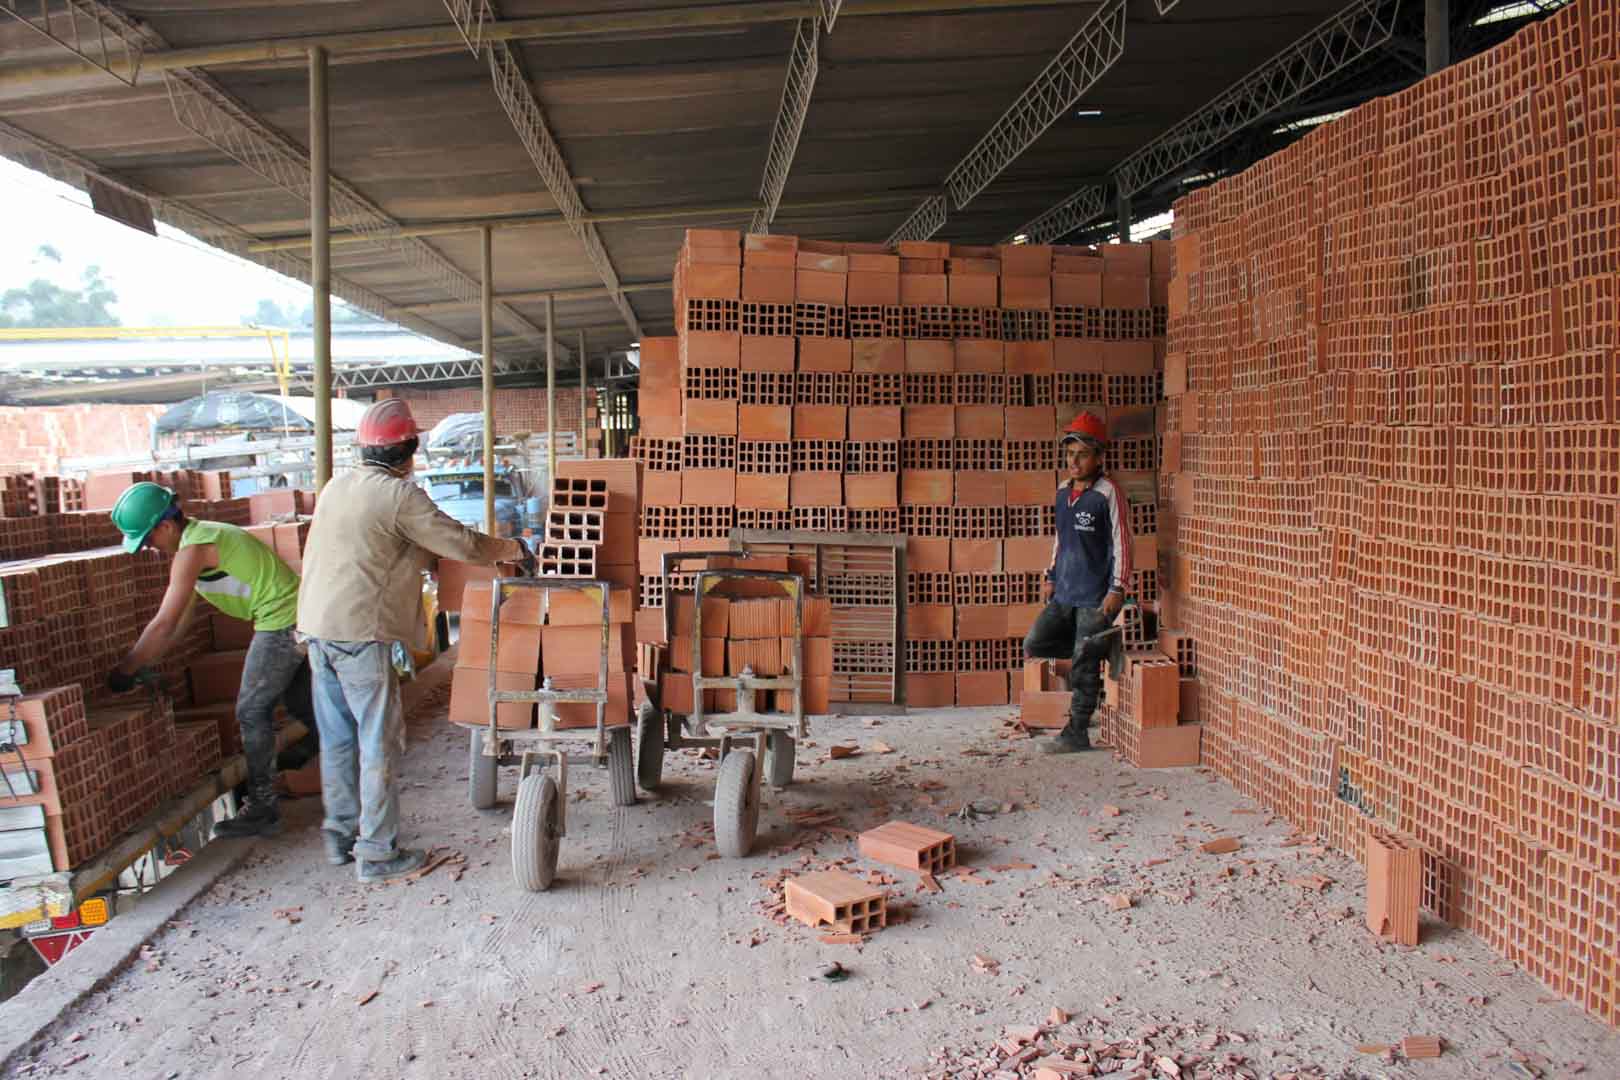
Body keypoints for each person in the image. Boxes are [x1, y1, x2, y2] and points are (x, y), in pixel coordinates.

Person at [296, 398, 533, 883]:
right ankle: (377, 853)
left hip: (317, 629)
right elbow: (461, 543)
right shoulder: (399, 496)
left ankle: (340, 834)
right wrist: (514, 549)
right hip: (361, 635)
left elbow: (374, 546)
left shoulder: (337, 486)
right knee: (378, 741)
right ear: (408, 451)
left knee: (338, 740)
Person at [108, 482, 313, 836]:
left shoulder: (194, 550)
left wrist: (125, 669)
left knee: (251, 710)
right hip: (296, 613)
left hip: (282, 619)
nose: (150, 549)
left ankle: (263, 808)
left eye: (148, 540)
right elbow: (178, 624)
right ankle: (337, 760)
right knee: (303, 704)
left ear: (166, 526)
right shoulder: (199, 540)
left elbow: (163, 623)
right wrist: (150, 662)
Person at [1022, 412, 1134, 753]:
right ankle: (1098, 648)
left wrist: (1118, 588)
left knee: (1084, 661)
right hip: (1065, 591)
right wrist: (1050, 575)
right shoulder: (1062, 492)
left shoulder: (1108, 493)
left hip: (1095, 595)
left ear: (1098, 457)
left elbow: (1123, 542)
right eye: (1070, 454)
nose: (1074, 461)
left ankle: (1077, 732)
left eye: (1082, 454)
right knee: (1036, 642)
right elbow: (1061, 539)